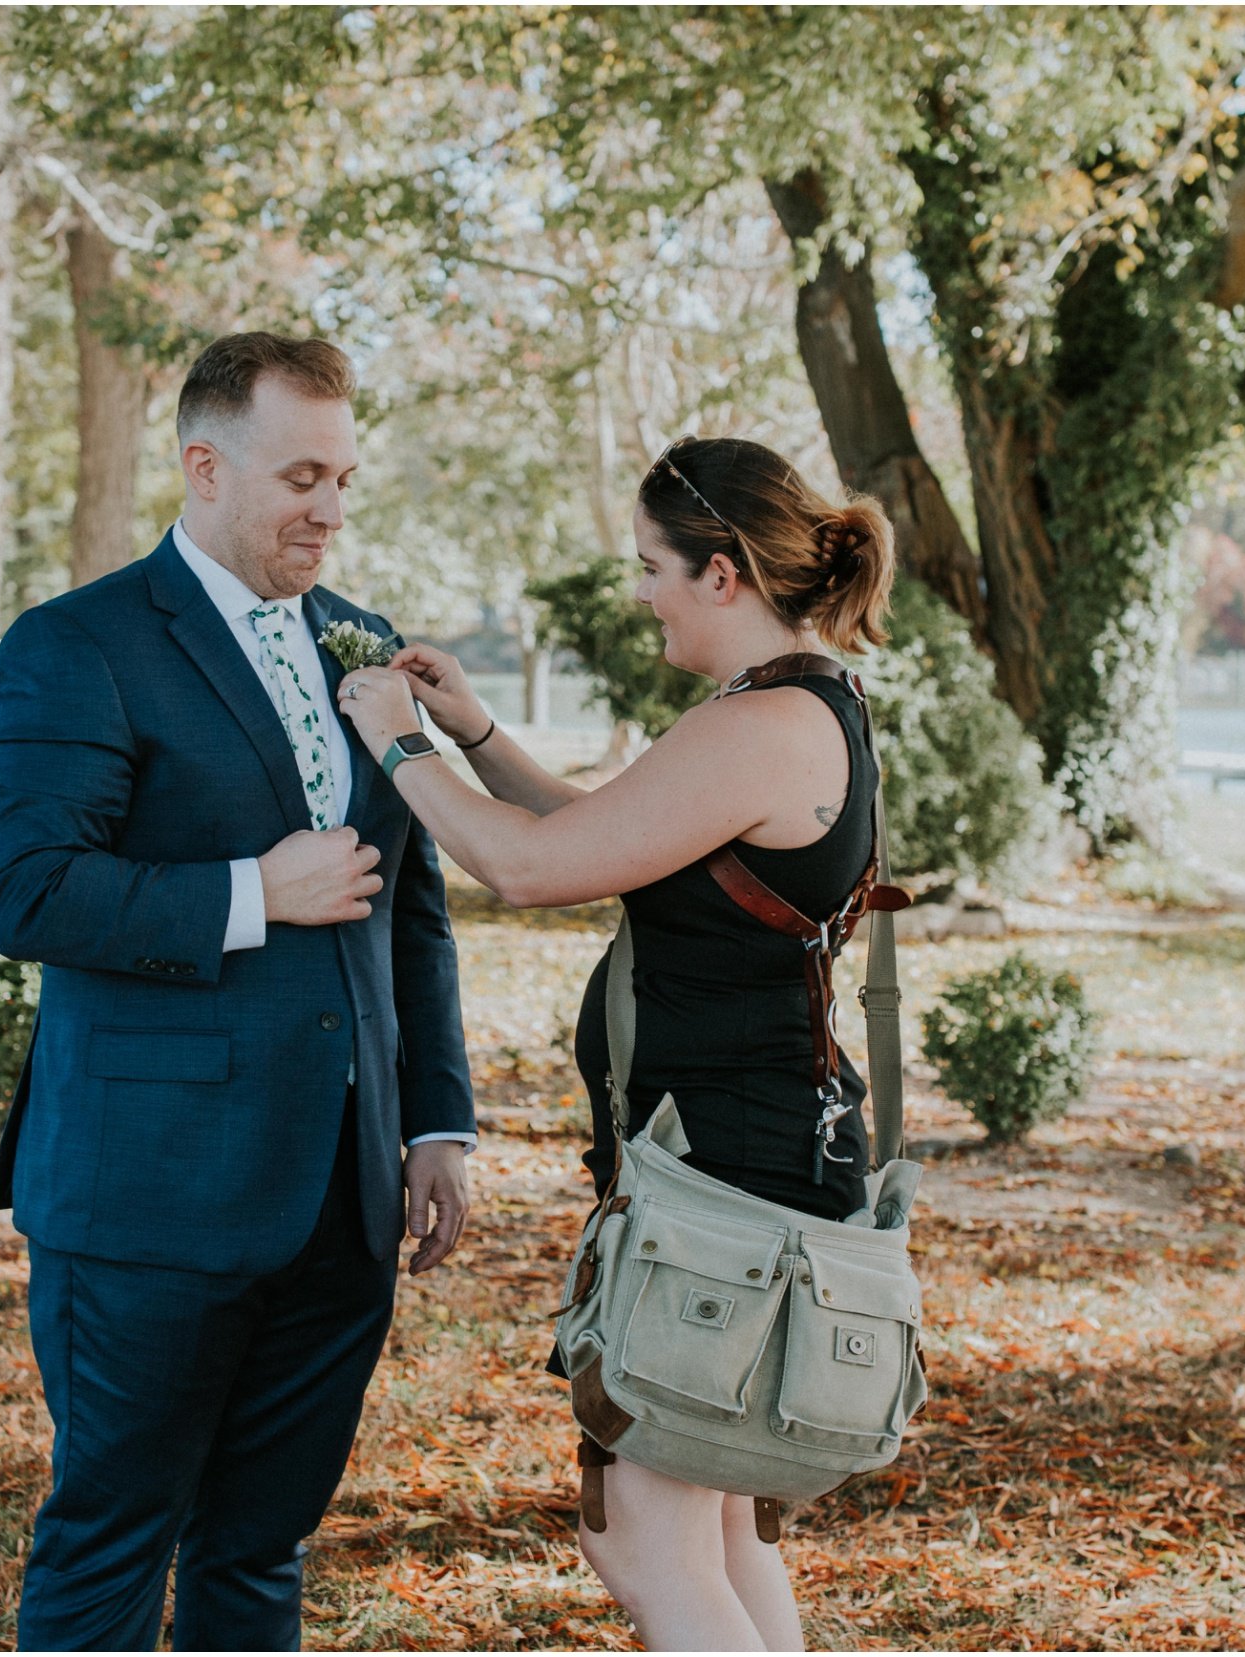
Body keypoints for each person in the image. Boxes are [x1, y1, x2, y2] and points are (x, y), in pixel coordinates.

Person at [336, 434, 897, 1651]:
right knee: (726, 1531)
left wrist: (398, 746)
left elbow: (532, 869)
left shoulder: (769, 721)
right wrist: (477, 732)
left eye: (651, 565)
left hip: (728, 1180)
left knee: (639, 1534)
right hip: (747, 1164)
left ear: (722, 573)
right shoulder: (787, 705)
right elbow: (615, 832)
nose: (639, 591)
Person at [0, 331, 477, 1651]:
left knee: (261, 1550)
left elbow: (409, 904)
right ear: (204, 466)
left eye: (346, 478)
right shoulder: (75, 644)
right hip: (149, 1194)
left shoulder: (360, 641)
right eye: (301, 473)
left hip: (344, 1195)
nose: (329, 506)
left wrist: (438, 1121)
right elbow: (27, 890)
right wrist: (255, 891)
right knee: (110, 1546)